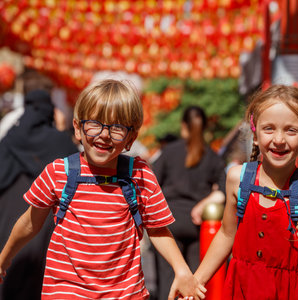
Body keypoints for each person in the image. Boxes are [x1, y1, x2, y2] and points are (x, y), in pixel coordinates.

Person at [0, 79, 204, 300]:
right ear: (78, 128)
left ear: (130, 139)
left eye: (117, 127)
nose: (104, 134)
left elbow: (157, 229)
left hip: (125, 294)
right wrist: (4, 257)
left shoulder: (139, 175)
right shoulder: (59, 172)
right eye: (95, 123)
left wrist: (182, 269)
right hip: (67, 292)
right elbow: (30, 222)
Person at [193, 85, 298, 299]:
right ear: (255, 134)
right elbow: (227, 234)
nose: (279, 139)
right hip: (243, 291)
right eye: (269, 128)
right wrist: (197, 280)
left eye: (291, 130)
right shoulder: (236, 178)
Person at [0, 88, 79, 300]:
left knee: (10, 274)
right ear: (50, 111)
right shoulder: (60, 142)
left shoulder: (10, 139)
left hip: (8, 220)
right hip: (44, 219)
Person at [152, 106, 226, 300]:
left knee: (167, 282)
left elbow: (151, 184)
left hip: (169, 224)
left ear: (184, 126)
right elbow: (226, 189)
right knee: (195, 284)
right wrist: (204, 203)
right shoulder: (212, 156)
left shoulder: (169, 151)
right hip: (197, 226)